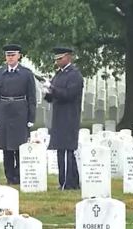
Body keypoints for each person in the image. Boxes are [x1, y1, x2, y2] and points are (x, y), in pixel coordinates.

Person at [0, 44, 37, 185]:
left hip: (20, 110)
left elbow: (32, 97)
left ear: (19, 56)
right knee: (6, 147)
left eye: (13, 55)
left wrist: (31, 117)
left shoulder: (26, 74)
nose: (10, 58)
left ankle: (19, 175)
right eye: (8, 55)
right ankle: (10, 176)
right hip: (4, 110)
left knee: (19, 146)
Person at [42, 47, 83, 190]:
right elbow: (53, 96)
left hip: (69, 116)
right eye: (56, 59)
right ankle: (71, 182)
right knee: (62, 150)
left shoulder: (74, 75)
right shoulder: (59, 75)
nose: (57, 61)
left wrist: (52, 88)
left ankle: (67, 182)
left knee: (66, 150)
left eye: (60, 58)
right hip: (59, 116)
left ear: (68, 57)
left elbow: (69, 94)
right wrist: (47, 92)